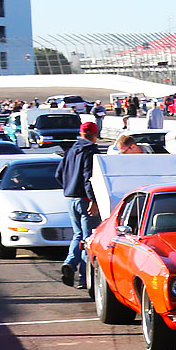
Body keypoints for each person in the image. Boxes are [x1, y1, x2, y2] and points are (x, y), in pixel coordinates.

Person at [60, 123, 103, 288]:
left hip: (70, 197)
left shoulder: (71, 150)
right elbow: (88, 177)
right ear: (95, 134)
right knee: (88, 239)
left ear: (80, 133)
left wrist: (68, 188)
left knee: (77, 235)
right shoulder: (91, 151)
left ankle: (70, 263)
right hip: (85, 199)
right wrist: (93, 199)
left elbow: (59, 173)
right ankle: (85, 278)